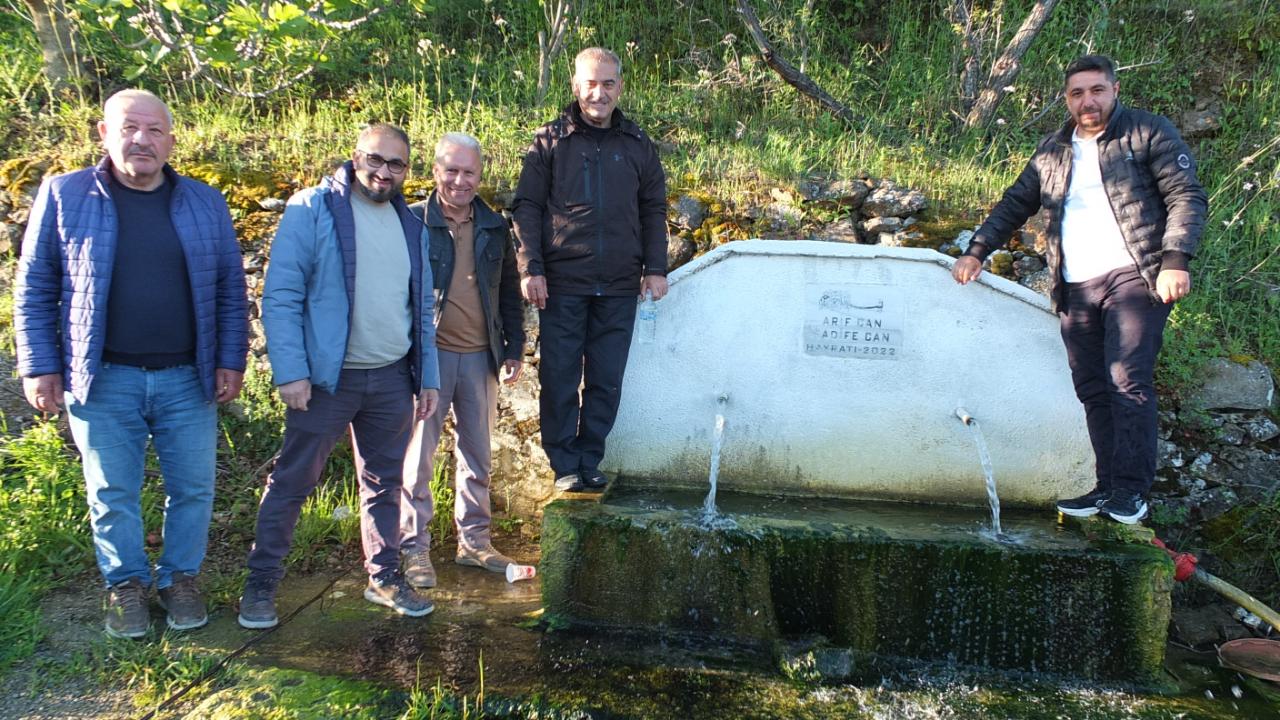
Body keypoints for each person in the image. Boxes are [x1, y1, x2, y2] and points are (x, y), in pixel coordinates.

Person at [14, 89, 249, 638]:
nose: (141, 140)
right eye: (129, 128)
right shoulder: (65, 195)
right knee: (111, 491)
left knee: (192, 488)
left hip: (187, 378)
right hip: (102, 379)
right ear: (104, 133)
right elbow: (35, 286)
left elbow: (229, 291)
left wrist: (230, 359)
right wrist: (38, 366)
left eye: (154, 131)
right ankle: (126, 586)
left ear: (170, 140)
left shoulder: (204, 201)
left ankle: (180, 579)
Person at [952, 54, 1207, 524]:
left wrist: (1175, 260)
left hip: (1135, 275)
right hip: (1076, 285)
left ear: (1113, 90)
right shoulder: (1053, 151)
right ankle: (1106, 487)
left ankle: (1131, 493)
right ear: (1067, 99)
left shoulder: (1146, 132)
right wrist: (977, 250)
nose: (1087, 100)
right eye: (1077, 93)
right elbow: (1016, 202)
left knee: (1127, 380)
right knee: (1092, 387)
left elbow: (1185, 194)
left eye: (1096, 90)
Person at [238, 123, 440, 628]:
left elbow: (421, 312)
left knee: (384, 484)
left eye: (396, 164)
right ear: (355, 157)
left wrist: (428, 378)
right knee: (292, 481)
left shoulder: (411, 224)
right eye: (375, 159)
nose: (383, 171)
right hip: (327, 381)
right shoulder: (313, 209)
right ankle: (261, 583)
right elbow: (280, 295)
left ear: (406, 171)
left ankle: (384, 576)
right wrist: (291, 371)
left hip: (392, 378)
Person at [512, 47, 669, 493]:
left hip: (619, 285)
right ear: (575, 85)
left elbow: (653, 207)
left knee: (606, 379)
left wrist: (655, 267)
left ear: (621, 86)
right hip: (562, 284)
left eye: (608, 83)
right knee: (559, 377)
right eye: (590, 83)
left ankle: (590, 457)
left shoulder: (637, 144)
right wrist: (531, 268)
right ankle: (564, 463)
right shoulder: (549, 141)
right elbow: (526, 206)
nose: (598, 93)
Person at [398, 132, 526, 587]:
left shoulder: (494, 226)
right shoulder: (413, 221)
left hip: (480, 358)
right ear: (434, 171)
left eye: (468, 172)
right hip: (428, 358)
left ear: (480, 176)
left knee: (477, 456)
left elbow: (509, 291)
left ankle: (474, 543)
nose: (459, 180)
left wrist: (513, 348)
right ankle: (413, 549)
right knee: (418, 458)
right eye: (450, 170)